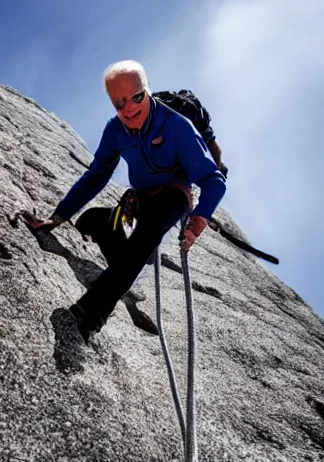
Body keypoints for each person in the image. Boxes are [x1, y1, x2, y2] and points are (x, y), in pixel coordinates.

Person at [25, 60, 226, 340]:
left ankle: (91, 313)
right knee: (92, 220)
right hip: (140, 198)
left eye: (136, 98)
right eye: (119, 104)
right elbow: (95, 176)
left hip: (174, 197)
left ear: (147, 91)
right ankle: (126, 267)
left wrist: (199, 218)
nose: (129, 109)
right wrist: (57, 217)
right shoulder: (115, 130)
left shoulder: (176, 125)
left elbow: (214, 179)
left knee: (147, 234)